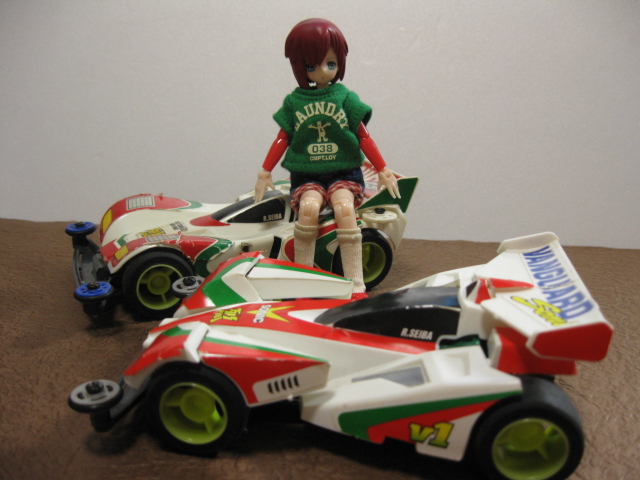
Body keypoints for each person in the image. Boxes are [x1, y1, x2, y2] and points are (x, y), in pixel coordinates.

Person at [254, 18, 399, 293]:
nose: (322, 71)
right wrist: (265, 170)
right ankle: (303, 280)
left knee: (345, 209)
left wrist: (383, 168)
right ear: (301, 67)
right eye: (311, 66)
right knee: (308, 209)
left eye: (330, 63)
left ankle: (355, 282)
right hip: (307, 174)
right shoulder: (295, 102)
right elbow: (282, 137)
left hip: (344, 172)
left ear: (339, 62)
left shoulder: (345, 98)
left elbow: (363, 136)